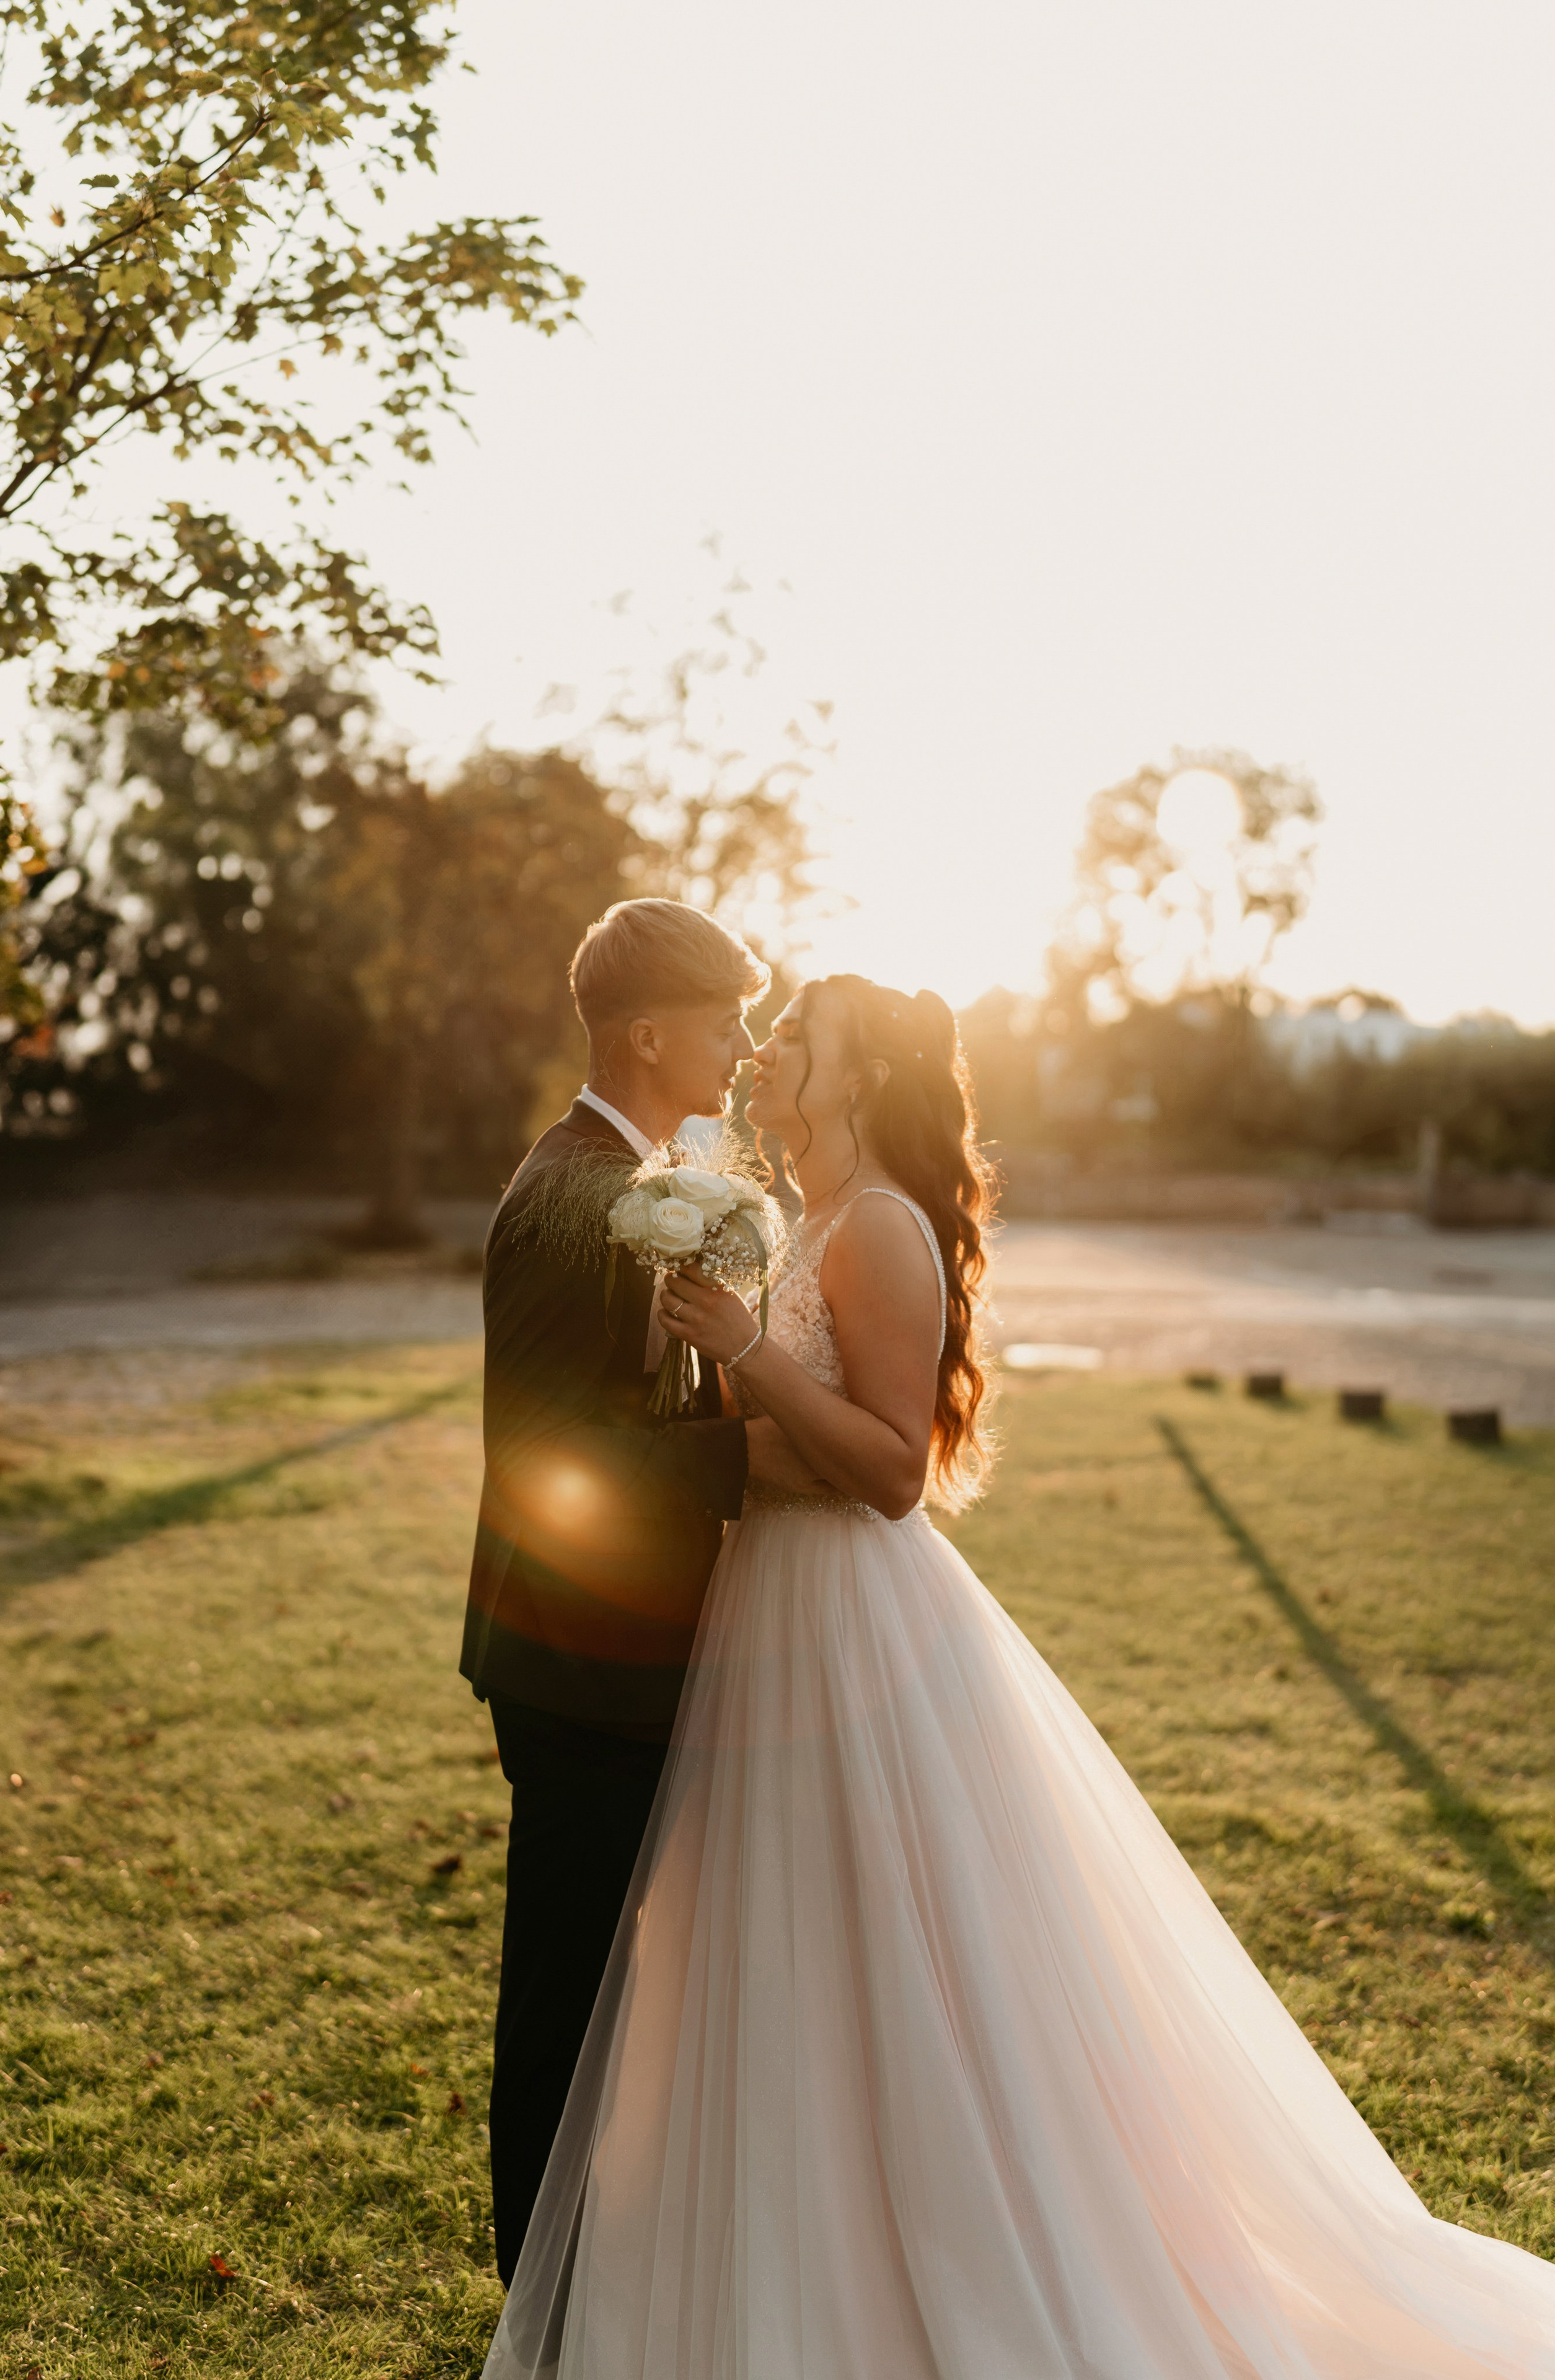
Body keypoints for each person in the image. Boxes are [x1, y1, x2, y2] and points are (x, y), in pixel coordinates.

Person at [485, 972, 1555, 2379]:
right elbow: (765, 1435)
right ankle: (790, 2244)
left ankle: (943, 2255)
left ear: (855, 1080)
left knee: (896, 1960)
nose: (763, 1057)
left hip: (851, 1616)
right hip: (758, 1620)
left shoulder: (880, 1230)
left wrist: (746, 1354)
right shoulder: (803, 1224)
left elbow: (886, 1477)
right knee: (776, 1955)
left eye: (794, 1040)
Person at [460, 897, 821, 2286]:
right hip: (578, 1657)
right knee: (566, 1987)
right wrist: (748, 1454)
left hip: (627, 1645)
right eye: (725, 1019)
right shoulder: (568, 1195)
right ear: (648, 1031)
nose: (738, 1044)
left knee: (615, 1985)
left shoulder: (643, 1176)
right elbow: (546, 1459)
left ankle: (592, 2268)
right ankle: (535, 2297)